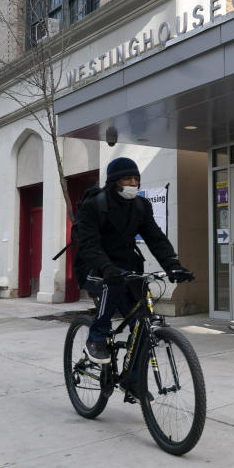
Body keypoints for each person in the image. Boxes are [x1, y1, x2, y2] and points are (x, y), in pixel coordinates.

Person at [73, 157, 193, 401]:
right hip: (94, 267)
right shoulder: (95, 205)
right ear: (114, 181)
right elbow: (87, 243)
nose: (133, 183)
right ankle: (97, 337)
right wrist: (106, 267)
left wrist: (173, 265)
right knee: (112, 284)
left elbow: (155, 238)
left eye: (136, 178)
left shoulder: (141, 206)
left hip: (127, 268)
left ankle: (133, 382)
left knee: (141, 322)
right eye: (128, 178)